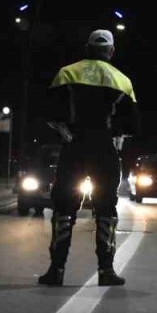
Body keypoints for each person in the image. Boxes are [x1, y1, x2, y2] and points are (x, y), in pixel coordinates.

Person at [39, 29, 140, 287]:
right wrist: (117, 137)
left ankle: (56, 270)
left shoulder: (66, 73)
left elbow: (50, 111)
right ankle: (106, 271)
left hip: (74, 147)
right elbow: (132, 123)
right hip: (105, 149)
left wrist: (65, 132)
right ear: (111, 51)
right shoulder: (122, 80)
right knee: (106, 209)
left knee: (64, 207)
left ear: (87, 48)